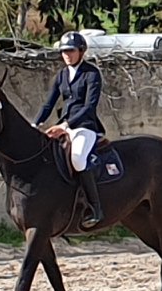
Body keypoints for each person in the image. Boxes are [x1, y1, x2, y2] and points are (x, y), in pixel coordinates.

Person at [34, 31, 107, 228]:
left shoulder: (92, 74)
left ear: (81, 51)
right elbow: (48, 105)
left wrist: (64, 125)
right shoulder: (62, 75)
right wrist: (35, 125)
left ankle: (95, 208)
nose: (66, 55)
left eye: (71, 51)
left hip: (85, 126)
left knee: (78, 158)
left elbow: (89, 107)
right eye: (64, 51)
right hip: (64, 126)